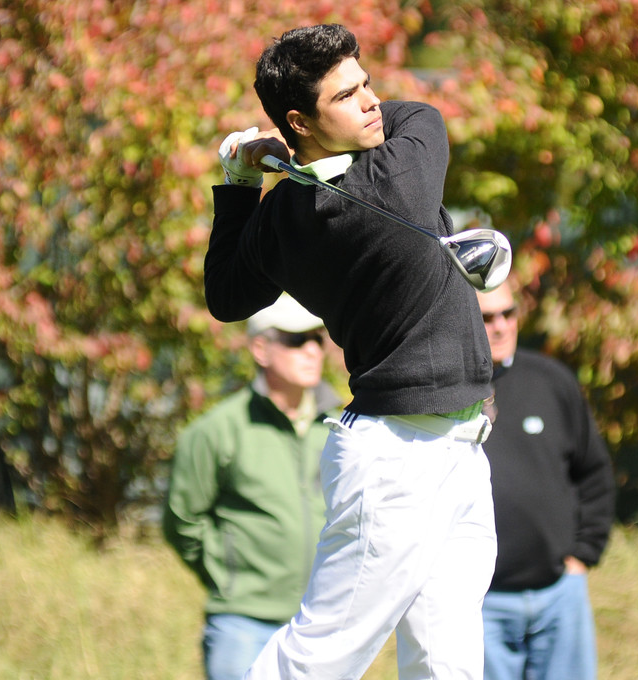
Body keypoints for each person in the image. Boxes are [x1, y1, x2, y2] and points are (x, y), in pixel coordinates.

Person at [204, 23, 497, 680]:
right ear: (298, 120)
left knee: (448, 663)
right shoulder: (402, 170)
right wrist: (294, 155)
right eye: (348, 96)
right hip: (397, 462)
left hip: (455, 444)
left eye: (367, 86)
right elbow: (422, 112)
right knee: (318, 658)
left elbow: (224, 295)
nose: (370, 103)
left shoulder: (282, 219)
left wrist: (239, 178)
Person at [162, 294, 342, 680]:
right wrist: (228, 573)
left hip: (323, 624)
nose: (312, 349)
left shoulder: (342, 428)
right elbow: (181, 520)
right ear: (260, 348)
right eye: (296, 340)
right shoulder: (217, 430)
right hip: (242, 625)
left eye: (317, 338)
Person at [476, 278, 616, 680]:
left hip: (559, 596)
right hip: (483, 605)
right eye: (487, 317)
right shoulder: (448, 394)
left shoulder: (552, 381)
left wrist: (582, 556)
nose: (501, 326)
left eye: (509, 313)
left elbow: (594, 472)